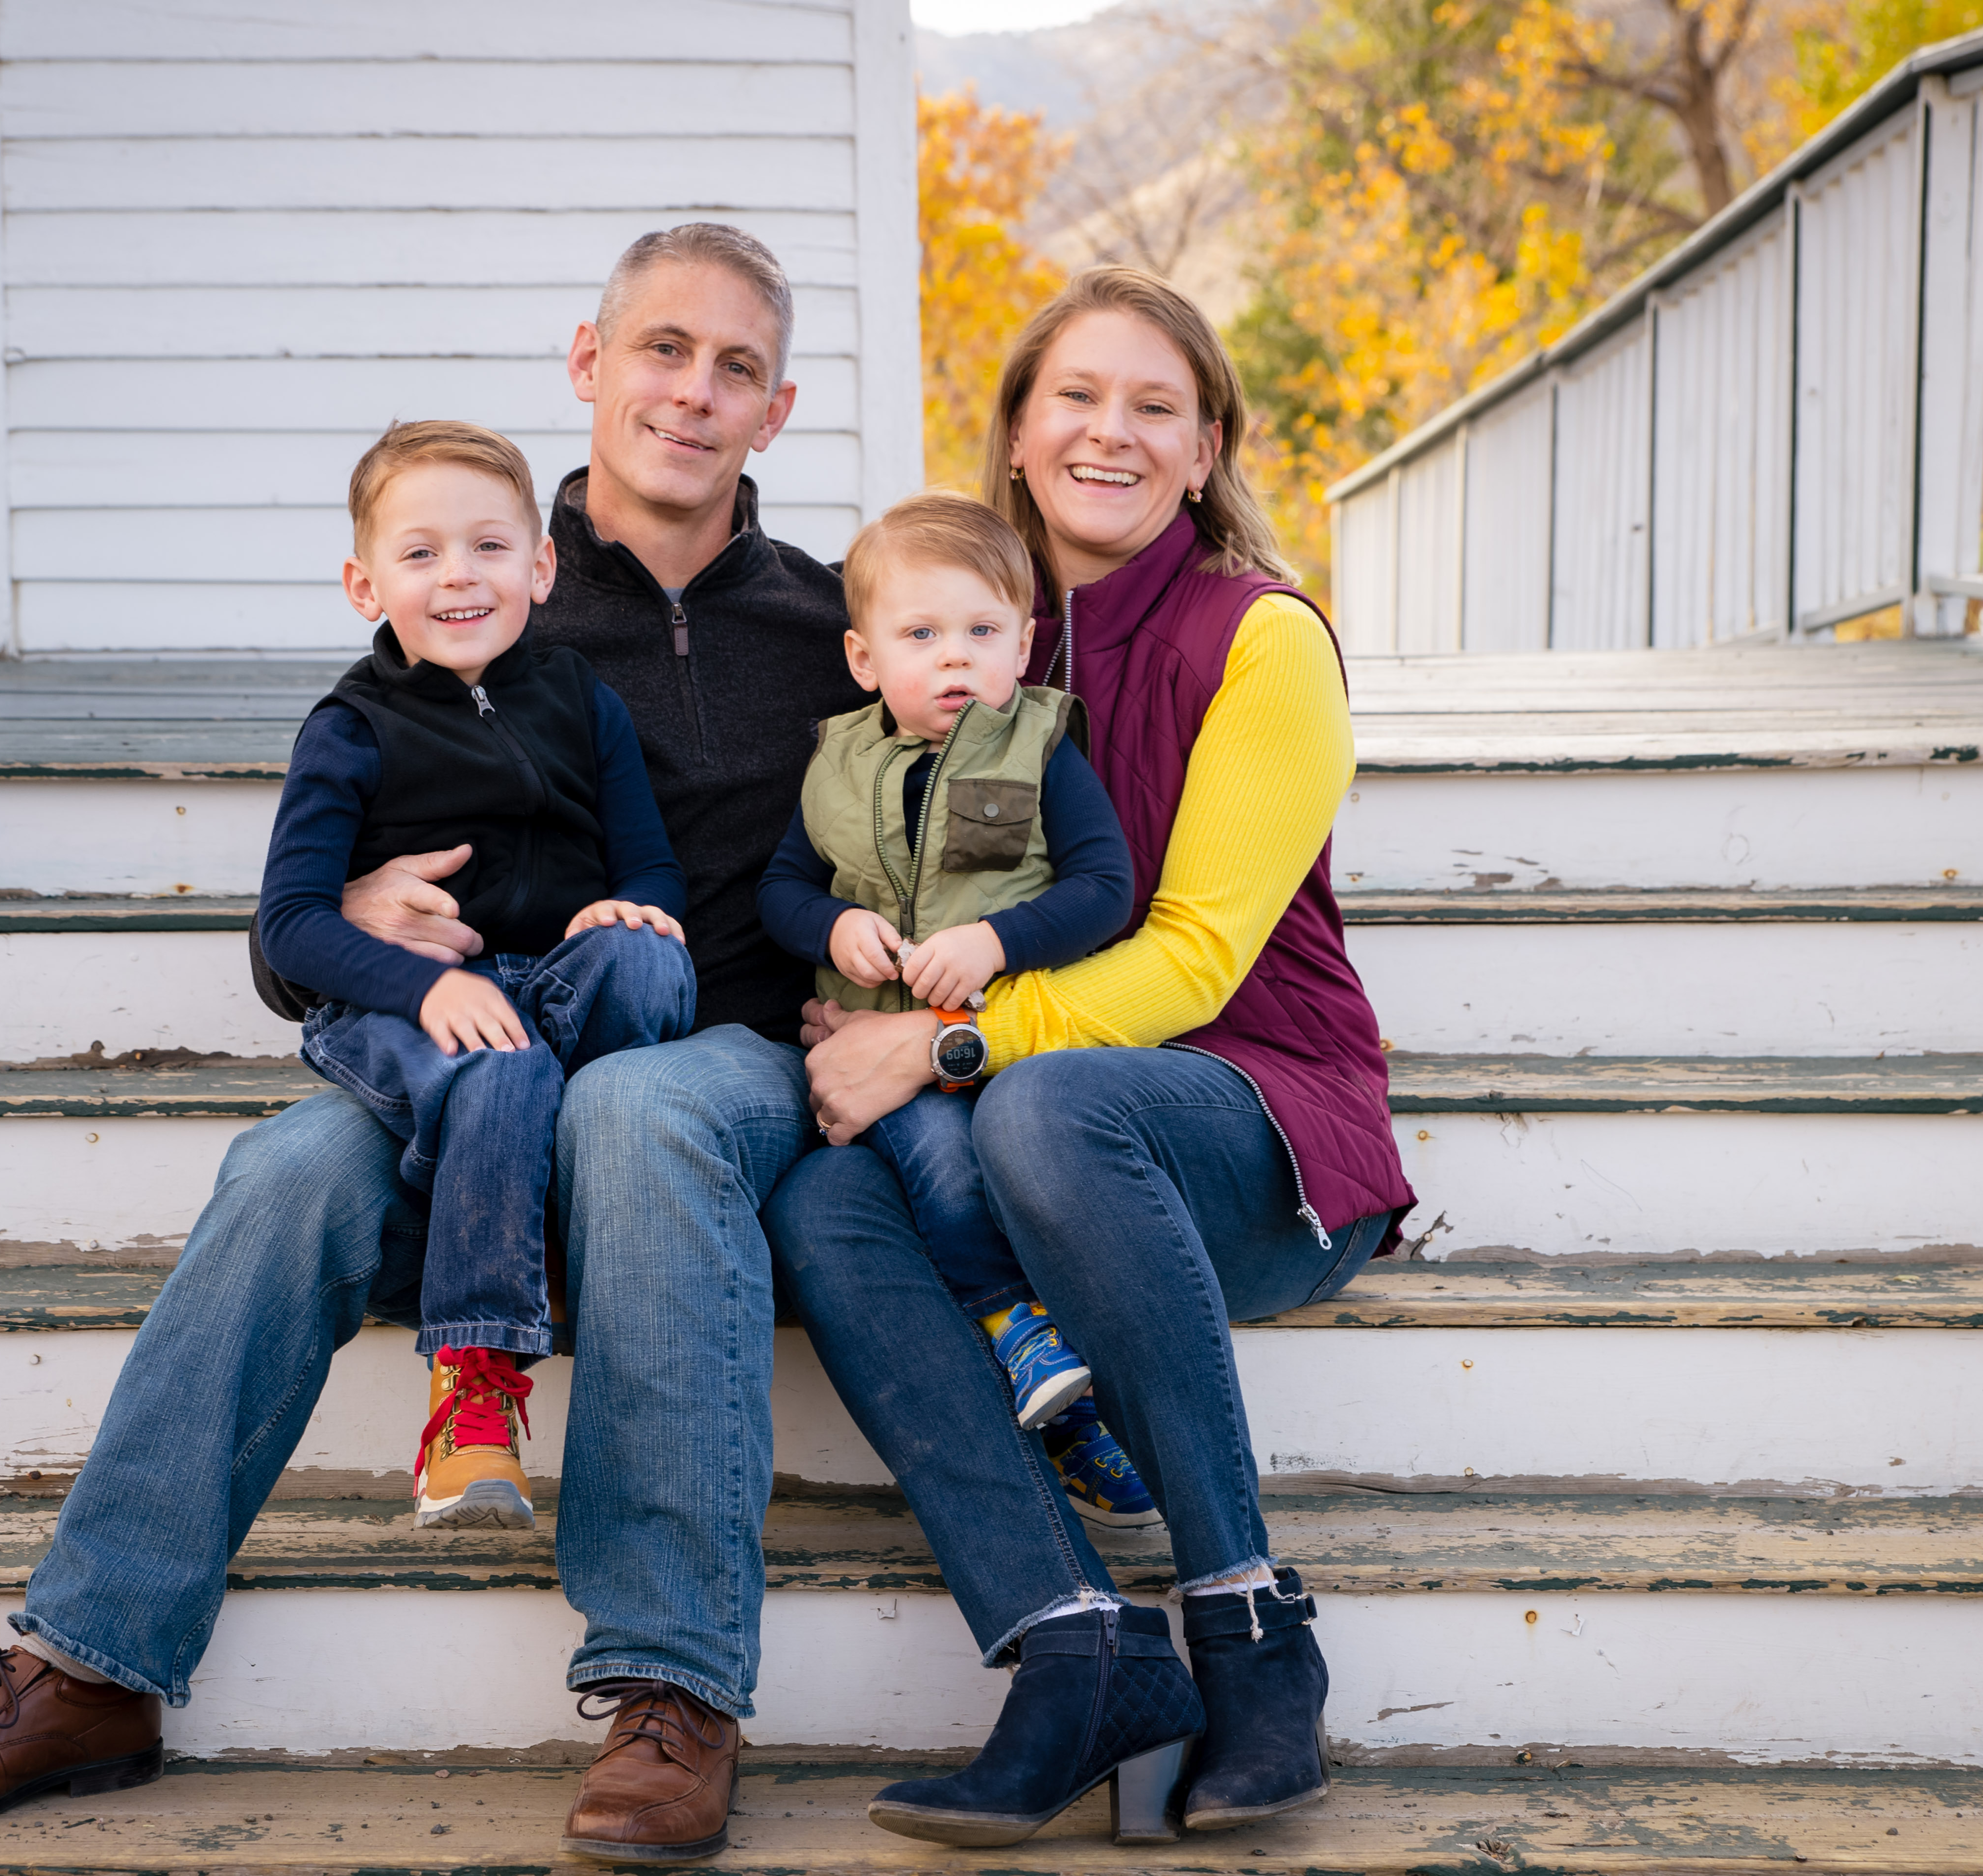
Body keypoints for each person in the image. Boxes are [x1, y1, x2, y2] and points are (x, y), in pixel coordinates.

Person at [0, 225, 863, 1864]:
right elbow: (302, 930)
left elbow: (932, 827)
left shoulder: (829, 625)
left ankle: (672, 1687)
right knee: (290, 1167)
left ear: (775, 409)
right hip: (473, 1049)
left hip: (703, 1053)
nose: (691, 393)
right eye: (661, 348)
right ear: (590, 362)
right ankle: (89, 1664)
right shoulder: (468, 578)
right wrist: (361, 911)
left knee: (640, 1110)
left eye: (735, 367)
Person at [765, 265, 1417, 1848]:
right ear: (1014, 431)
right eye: (1074, 396)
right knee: (820, 1202)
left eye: (1153, 406)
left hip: (1256, 1131)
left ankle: (1249, 1627)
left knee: (1046, 1108)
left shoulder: (1261, 640)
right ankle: (1077, 1650)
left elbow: (1194, 959)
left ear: (1205, 450)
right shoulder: (959, 640)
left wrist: (940, 1043)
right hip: (1015, 1146)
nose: (1108, 432)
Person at [257, 418, 695, 1532]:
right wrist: (426, 988)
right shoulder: (349, 728)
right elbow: (291, 925)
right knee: (500, 1063)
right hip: (399, 1005)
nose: (458, 575)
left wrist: (624, 910)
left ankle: (543, 1197)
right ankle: (473, 1387)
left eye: (489, 546)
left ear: (540, 568)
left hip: (555, 981)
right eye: (421, 553)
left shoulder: (582, 697)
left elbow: (649, 865)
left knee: (649, 963)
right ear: (365, 586)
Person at [754, 490, 1157, 1526]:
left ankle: (1050, 1366)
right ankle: (1027, 1350)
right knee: (926, 1169)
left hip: (995, 1049)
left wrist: (996, 941)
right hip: (868, 1063)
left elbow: (1105, 888)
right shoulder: (836, 763)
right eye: (922, 635)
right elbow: (784, 887)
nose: (955, 660)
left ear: (1024, 645)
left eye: (982, 633)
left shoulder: (1040, 748)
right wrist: (831, 927)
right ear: (863, 658)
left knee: (983, 1169)